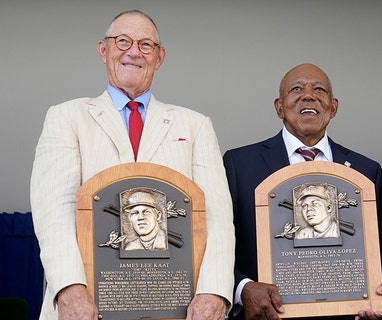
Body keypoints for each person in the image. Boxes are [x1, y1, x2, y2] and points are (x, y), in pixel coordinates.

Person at [30, 10, 234, 320]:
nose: (133, 51)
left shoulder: (195, 125)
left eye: (146, 44)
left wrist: (215, 290)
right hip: (88, 304)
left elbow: (217, 217)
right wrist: (70, 289)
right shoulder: (67, 117)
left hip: (178, 303)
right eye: (122, 41)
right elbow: (54, 212)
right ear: (104, 49)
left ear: (160, 56)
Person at [222, 63, 382, 320]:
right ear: (279, 107)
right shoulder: (239, 164)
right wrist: (243, 289)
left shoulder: (365, 170)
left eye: (319, 89)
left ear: (333, 107)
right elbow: (219, 247)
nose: (308, 95)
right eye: (296, 88)